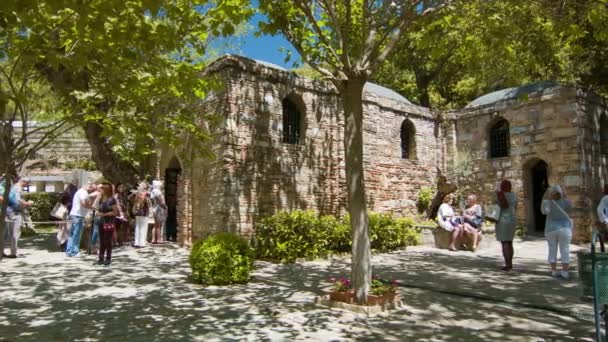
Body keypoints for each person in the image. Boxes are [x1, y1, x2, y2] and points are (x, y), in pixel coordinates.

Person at [541, 185, 573, 279]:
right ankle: (565, 271)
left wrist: (545, 197)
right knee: (565, 250)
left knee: (552, 249)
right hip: (565, 228)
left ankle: (554, 271)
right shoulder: (566, 201)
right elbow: (570, 210)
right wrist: (565, 195)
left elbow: (544, 212)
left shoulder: (547, 202)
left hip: (551, 228)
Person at [3, 177, 33, 258]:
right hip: (15, 212)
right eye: (27, 184)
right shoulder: (18, 189)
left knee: (6, 233)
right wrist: (28, 204)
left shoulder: (13, 187)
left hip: (7, 211)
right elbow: (18, 202)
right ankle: (13, 252)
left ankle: (2, 251)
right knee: (15, 233)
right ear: (23, 182)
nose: (26, 186)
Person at [66, 182, 97, 257]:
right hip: (78, 215)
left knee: (72, 234)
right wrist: (91, 207)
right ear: (90, 187)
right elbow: (83, 203)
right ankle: (74, 252)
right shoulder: (83, 192)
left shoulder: (80, 192)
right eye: (93, 189)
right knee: (77, 234)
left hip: (74, 214)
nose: (92, 191)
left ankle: (69, 250)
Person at [494, 180, 518, 271]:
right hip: (512, 219)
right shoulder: (514, 195)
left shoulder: (499, 194)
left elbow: (496, 206)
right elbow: (515, 206)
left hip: (503, 219)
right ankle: (510, 264)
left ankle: (507, 265)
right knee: (510, 242)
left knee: (504, 242)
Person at [95, 179, 119, 266]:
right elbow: (97, 209)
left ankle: (108, 258)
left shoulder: (112, 200)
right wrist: (98, 212)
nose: (100, 189)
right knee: (101, 240)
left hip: (109, 221)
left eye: (102, 188)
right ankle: (101, 258)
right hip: (101, 222)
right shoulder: (101, 199)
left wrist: (104, 214)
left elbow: (115, 212)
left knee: (107, 240)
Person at [56, 178, 78, 251]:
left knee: (62, 229)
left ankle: (62, 243)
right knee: (67, 230)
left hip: (64, 214)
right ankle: (64, 244)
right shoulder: (70, 195)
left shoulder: (65, 194)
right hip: (68, 214)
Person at [132, 182, 150, 248]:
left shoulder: (137, 194)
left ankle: (136, 242)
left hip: (138, 212)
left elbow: (133, 201)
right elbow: (149, 203)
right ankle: (142, 243)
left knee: (137, 227)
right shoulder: (146, 194)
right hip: (144, 212)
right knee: (143, 227)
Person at [150, 180, 167, 244]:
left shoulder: (153, 191)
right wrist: (165, 207)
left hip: (154, 208)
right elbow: (161, 202)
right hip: (159, 209)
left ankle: (153, 239)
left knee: (155, 225)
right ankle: (159, 239)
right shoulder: (158, 192)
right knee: (159, 224)